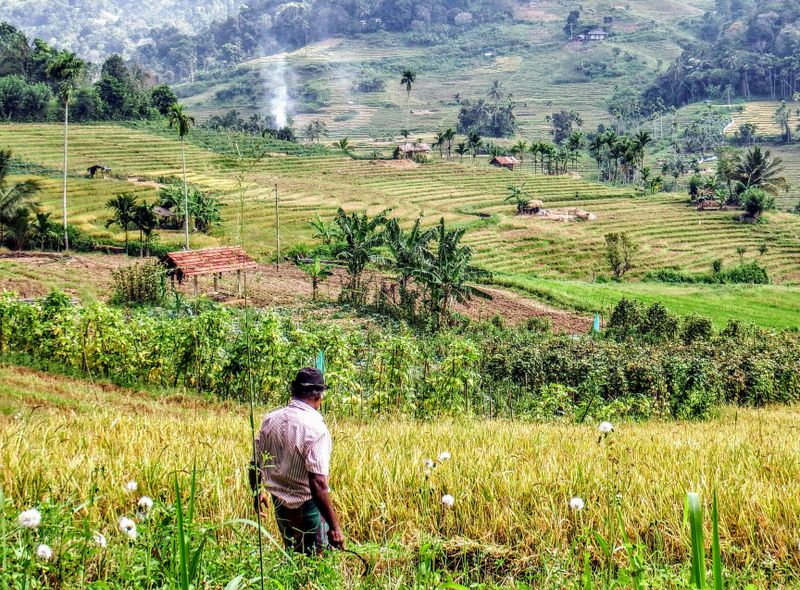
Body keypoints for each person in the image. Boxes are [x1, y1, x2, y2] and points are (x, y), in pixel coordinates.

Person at [251, 367, 345, 555]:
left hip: (279, 506)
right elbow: (318, 483)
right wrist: (334, 527)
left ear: (293, 391)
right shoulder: (316, 429)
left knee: (293, 555)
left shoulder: (270, 419)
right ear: (319, 396)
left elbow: (255, 463)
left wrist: (257, 491)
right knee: (315, 563)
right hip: (308, 507)